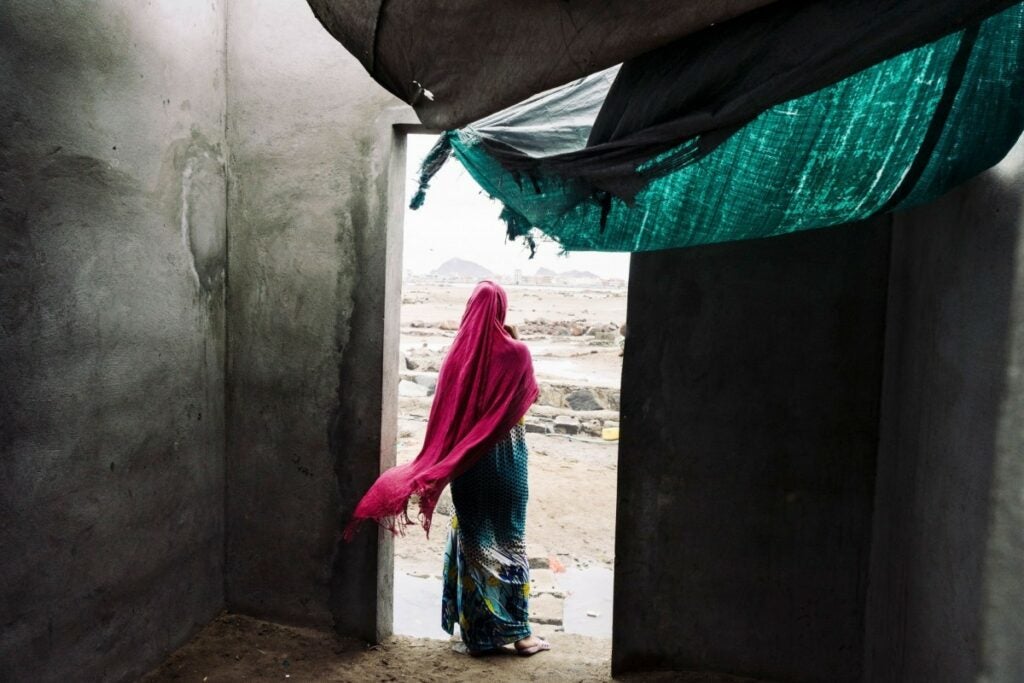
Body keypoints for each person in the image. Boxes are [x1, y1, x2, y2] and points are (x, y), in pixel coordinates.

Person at [345, 280, 549, 656]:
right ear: (501, 308)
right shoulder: (518, 353)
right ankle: (521, 635)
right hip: (508, 464)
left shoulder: (458, 357)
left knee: (474, 541)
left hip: (469, 467)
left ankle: (480, 636)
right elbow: (523, 402)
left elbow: (446, 417)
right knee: (510, 541)